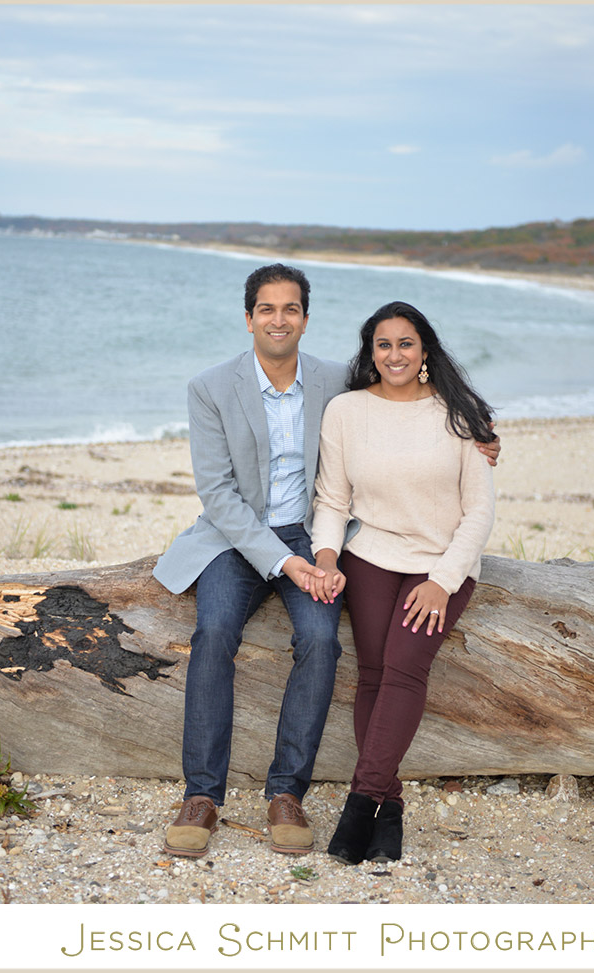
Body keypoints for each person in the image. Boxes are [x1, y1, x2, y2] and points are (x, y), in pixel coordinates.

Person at [151, 264, 498, 860]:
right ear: (249, 317)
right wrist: (288, 564)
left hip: (314, 536)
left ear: (306, 319)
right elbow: (219, 495)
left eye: (291, 309)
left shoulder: (337, 381)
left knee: (321, 641)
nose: (279, 319)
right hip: (237, 538)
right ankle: (202, 796)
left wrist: (481, 439)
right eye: (267, 309)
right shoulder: (208, 387)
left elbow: (405, 408)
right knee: (212, 633)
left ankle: (287, 792)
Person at [311, 301, 495, 865]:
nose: (395, 354)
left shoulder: (459, 415)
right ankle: (389, 812)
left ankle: (361, 803)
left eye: (406, 343)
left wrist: (442, 580)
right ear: (371, 352)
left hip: (441, 561)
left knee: (404, 666)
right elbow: (332, 499)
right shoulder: (345, 410)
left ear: (424, 352)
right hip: (369, 555)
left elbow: (479, 513)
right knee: (372, 673)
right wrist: (326, 557)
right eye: (383, 344)